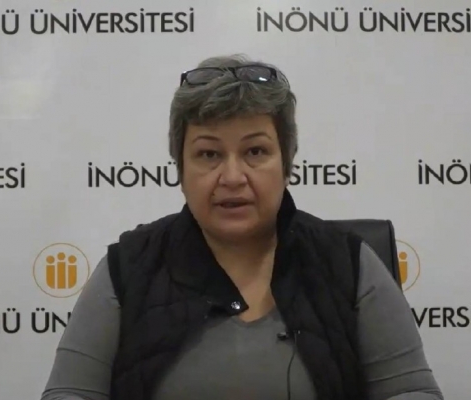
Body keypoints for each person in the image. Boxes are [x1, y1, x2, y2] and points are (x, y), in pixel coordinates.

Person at [40, 54, 444, 400]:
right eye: (209, 154)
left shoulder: (349, 264)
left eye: (255, 151)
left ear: (286, 163)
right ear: (180, 168)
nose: (232, 177)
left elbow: (411, 391)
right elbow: (69, 393)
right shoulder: (128, 269)